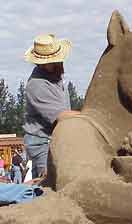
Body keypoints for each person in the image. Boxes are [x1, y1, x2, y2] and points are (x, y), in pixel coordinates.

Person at [23, 34, 80, 179]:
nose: (59, 63)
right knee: (48, 181)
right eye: (54, 61)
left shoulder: (55, 77)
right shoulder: (37, 85)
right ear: (42, 64)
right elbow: (62, 116)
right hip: (43, 143)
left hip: (55, 137)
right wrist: (92, 116)